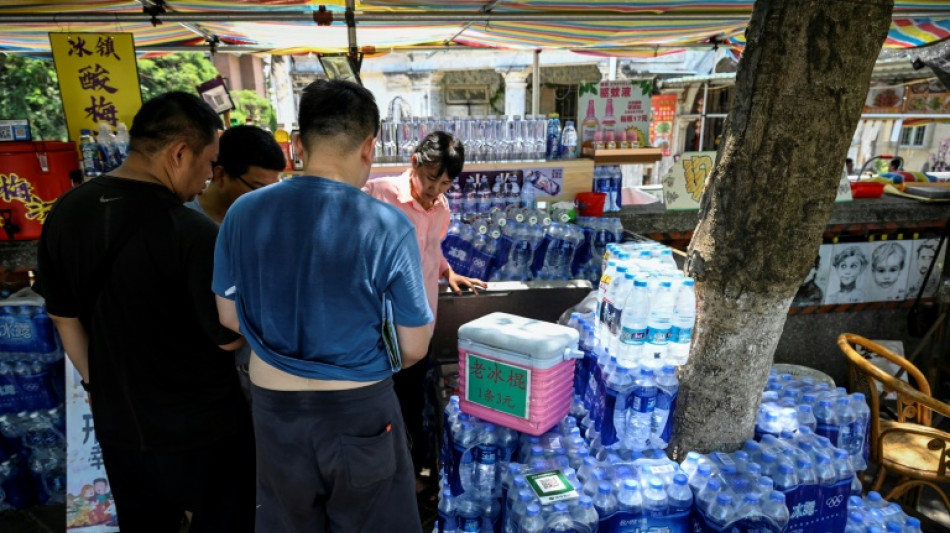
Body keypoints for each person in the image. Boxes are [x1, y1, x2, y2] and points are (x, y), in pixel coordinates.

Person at [213, 79, 433, 533]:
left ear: (297, 144)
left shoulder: (242, 213)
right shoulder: (387, 224)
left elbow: (228, 316)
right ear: (369, 146)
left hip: (273, 410)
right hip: (360, 411)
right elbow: (414, 348)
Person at [37, 92, 255, 532]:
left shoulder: (66, 211)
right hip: (201, 428)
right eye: (209, 162)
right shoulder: (191, 231)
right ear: (179, 153)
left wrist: (96, 383)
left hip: (121, 428)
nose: (210, 178)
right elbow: (227, 336)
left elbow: (64, 317)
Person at [362, 132, 486, 489]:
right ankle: (380, 479)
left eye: (445, 183)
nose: (435, 189)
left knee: (413, 406)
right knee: (381, 406)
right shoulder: (377, 194)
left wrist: (447, 271)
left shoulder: (441, 208)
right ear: (414, 162)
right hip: (379, 329)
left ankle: (411, 477)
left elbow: (430, 249)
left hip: (421, 326)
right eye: (432, 178)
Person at [185, 125, 285, 401]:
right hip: (205, 376)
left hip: (259, 371)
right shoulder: (187, 227)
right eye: (257, 187)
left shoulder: (269, 223)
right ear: (220, 175)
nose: (268, 198)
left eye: (274, 187)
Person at [185, 124, 285, 224]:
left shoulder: (263, 222)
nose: (267, 202)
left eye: (272, 190)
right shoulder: (183, 222)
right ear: (220, 175)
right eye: (258, 189)